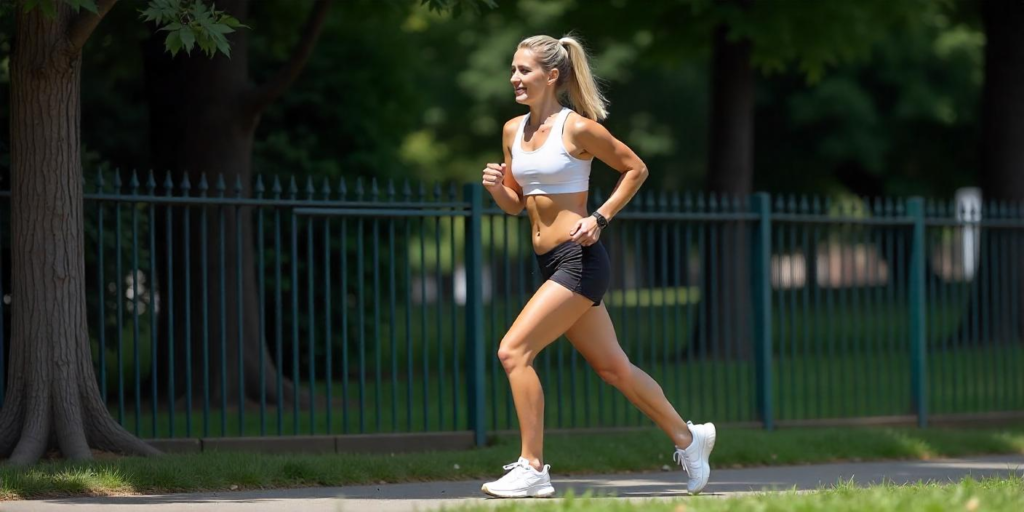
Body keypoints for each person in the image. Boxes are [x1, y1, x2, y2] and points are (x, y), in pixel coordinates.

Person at [478, 34, 717, 499]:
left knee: (513, 352)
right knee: (613, 368)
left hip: (580, 260)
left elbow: (635, 168)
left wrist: (599, 218)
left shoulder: (578, 129)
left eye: (524, 70)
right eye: (513, 69)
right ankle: (690, 438)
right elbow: (514, 204)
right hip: (550, 262)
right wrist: (495, 189)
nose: (514, 78)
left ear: (552, 75)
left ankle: (532, 467)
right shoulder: (513, 131)